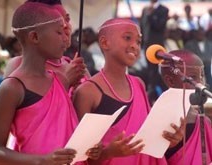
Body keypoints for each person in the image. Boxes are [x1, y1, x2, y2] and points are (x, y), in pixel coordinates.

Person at [0, 2, 100, 165]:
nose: (65, 36)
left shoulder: (59, 79)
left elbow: (65, 130)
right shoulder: (12, 87)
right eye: (58, 32)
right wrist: (43, 160)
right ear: (35, 37)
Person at [73, 18, 185, 165]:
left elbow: (146, 139)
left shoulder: (138, 84)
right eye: (127, 38)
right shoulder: (87, 92)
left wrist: (169, 139)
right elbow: (79, 158)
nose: (135, 46)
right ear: (105, 42)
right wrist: (109, 153)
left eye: (138, 42)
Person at [3, 0, 88, 91]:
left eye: (67, 19)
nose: (66, 26)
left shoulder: (76, 67)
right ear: (35, 35)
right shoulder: (18, 66)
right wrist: (65, 82)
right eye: (57, 21)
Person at [160, 49, 212, 164]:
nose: (200, 83)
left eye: (202, 76)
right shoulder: (158, 120)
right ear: (170, 81)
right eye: (192, 78)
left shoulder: (205, 121)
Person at [140, 0, 169, 105]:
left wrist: (151, 14)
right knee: (150, 72)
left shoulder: (163, 10)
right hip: (146, 46)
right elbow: (142, 27)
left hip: (157, 47)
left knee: (156, 71)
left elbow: (159, 26)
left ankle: (152, 96)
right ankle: (152, 95)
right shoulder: (145, 9)